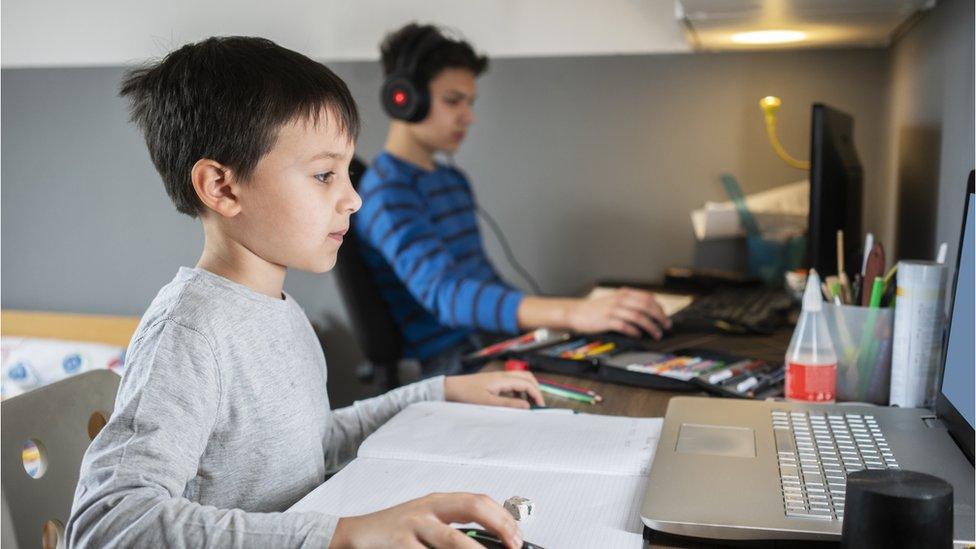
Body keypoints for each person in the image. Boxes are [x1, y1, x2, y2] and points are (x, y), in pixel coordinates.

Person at [66, 36, 542, 549]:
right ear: (223, 188)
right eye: (323, 175)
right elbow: (108, 524)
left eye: (347, 173)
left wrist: (438, 391)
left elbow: (313, 445)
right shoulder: (188, 335)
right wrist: (344, 536)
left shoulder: (280, 311)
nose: (354, 199)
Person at [356, 23, 671, 377]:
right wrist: (572, 314)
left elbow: (482, 280)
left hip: (492, 339)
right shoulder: (385, 194)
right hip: (453, 362)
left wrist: (569, 319)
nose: (468, 116)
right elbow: (449, 297)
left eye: (470, 102)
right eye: (453, 100)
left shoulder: (451, 180)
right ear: (406, 99)